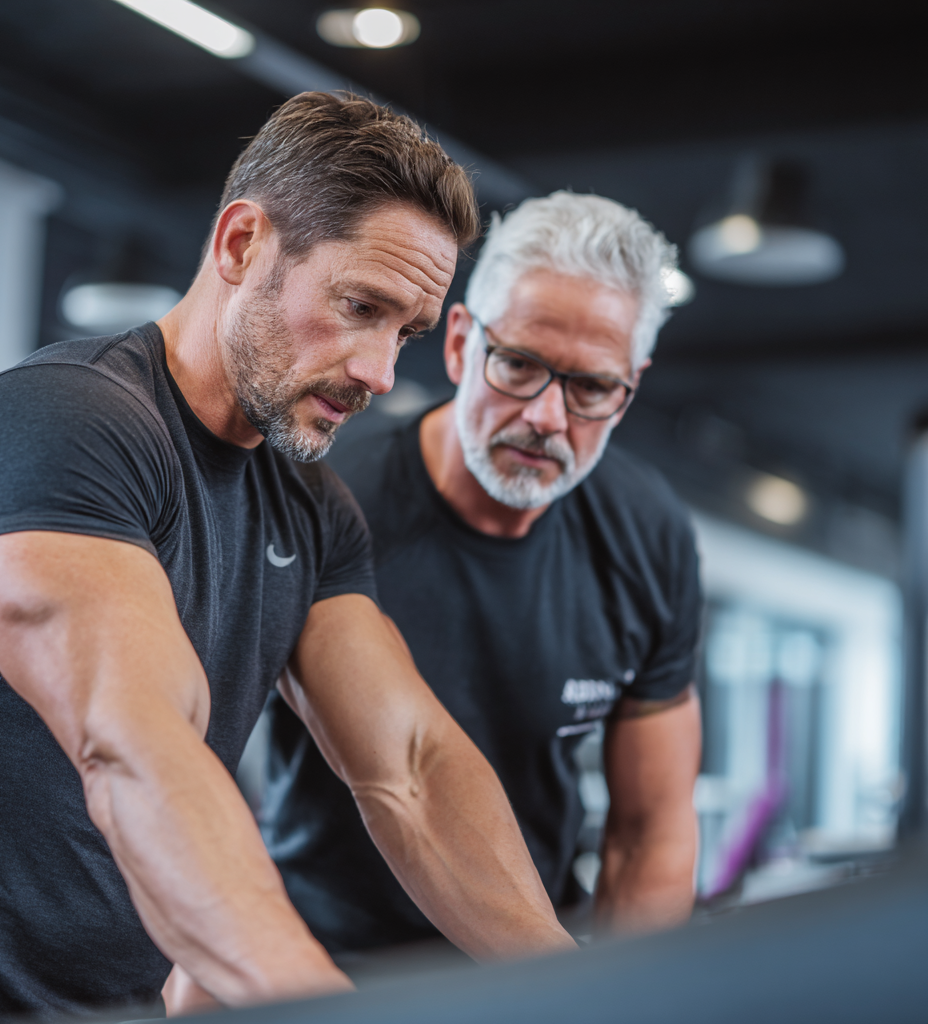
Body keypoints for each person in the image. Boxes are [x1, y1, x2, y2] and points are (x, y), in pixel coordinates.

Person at [0, 94, 577, 1024]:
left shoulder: (309, 508)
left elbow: (411, 770)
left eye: (406, 332)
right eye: (359, 306)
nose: (381, 371)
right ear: (240, 244)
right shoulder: (63, 425)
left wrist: (583, 990)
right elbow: (135, 741)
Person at [263, 191, 703, 954]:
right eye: (520, 365)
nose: (546, 417)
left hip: (531, 960)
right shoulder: (324, 502)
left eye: (591, 387)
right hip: (327, 960)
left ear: (629, 389)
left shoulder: (648, 535)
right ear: (462, 344)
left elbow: (651, 830)